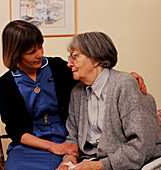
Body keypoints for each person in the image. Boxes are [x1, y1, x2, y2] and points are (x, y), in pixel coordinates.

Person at [0, 20, 146, 170]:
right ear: (16, 54)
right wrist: (54, 147)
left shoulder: (57, 67)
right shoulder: (6, 84)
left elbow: (94, 74)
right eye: (31, 52)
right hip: (29, 148)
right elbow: (17, 132)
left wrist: (125, 77)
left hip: (69, 142)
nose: (40, 54)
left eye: (40, 46)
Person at [57, 32, 161, 170]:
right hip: (94, 160)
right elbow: (73, 136)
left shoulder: (125, 85)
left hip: (133, 163)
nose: (69, 64)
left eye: (75, 56)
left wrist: (98, 166)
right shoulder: (77, 92)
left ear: (96, 59)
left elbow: (142, 145)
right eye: (69, 58)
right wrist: (69, 157)